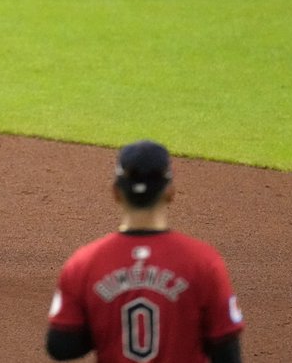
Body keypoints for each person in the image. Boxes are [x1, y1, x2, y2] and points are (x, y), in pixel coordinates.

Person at [46, 140, 245, 363]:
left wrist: (104, 322)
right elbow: (227, 354)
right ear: (170, 191)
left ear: (116, 192)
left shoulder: (85, 263)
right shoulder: (204, 262)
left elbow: (60, 346)